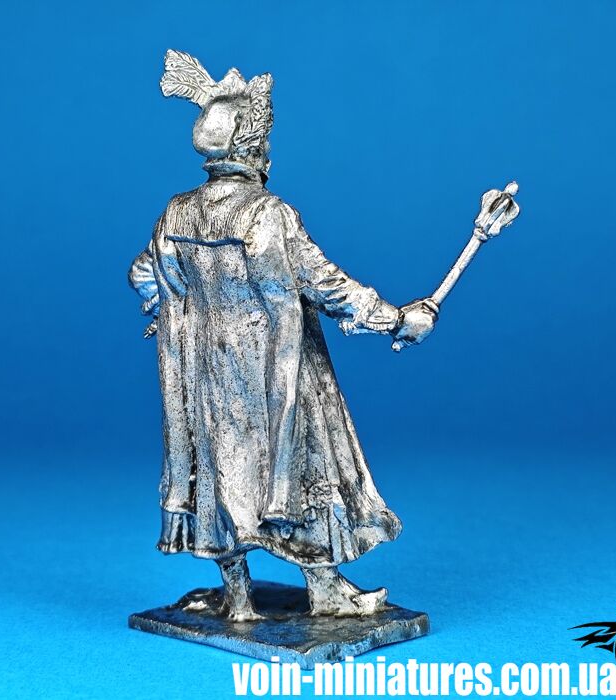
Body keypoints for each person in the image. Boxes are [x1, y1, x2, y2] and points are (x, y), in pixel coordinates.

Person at [128, 51, 438, 620]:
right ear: (252, 149)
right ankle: (324, 589)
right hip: (273, 364)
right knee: (299, 460)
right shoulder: (267, 214)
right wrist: (396, 319)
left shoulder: (177, 213)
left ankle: (238, 594)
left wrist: (175, 306)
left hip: (202, 367)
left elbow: (143, 273)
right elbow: (324, 283)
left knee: (218, 464)